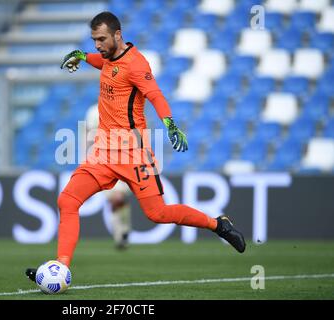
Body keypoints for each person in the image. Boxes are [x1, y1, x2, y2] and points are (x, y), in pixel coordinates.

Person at [26, 11, 245, 281]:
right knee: (67, 200)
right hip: (104, 152)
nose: (97, 45)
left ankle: (218, 225)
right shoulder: (107, 58)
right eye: (94, 40)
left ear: (118, 35)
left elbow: (155, 95)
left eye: (101, 39)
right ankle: (61, 267)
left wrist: (171, 126)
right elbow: (102, 63)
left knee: (159, 213)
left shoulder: (136, 64)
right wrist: (82, 57)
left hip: (134, 153)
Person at [85, 104, 132, 250]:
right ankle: (120, 235)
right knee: (116, 200)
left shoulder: (122, 107)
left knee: (120, 200)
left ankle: (124, 230)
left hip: (125, 158)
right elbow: (89, 136)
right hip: (103, 160)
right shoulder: (93, 111)